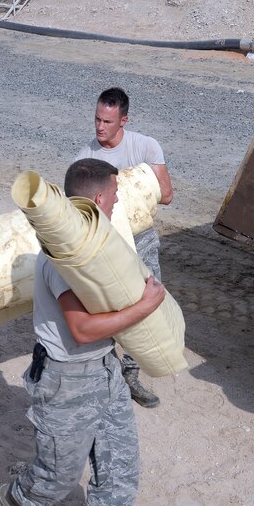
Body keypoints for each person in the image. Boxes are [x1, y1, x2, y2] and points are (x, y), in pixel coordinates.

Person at [0, 158, 166, 506]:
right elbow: (82, 329)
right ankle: (15, 499)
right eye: (116, 195)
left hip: (105, 368)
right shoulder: (64, 258)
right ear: (101, 197)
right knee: (59, 475)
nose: (119, 202)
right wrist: (145, 307)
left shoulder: (95, 245)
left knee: (120, 467)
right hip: (65, 379)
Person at [73, 87, 174, 409]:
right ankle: (105, 370)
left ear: (124, 120)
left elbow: (167, 195)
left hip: (141, 240)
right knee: (104, 309)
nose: (99, 128)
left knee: (145, 307)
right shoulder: (84, 159)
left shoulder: (145, 147)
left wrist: (127, 186)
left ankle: (131, 374)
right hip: (107, 246)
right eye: (96, 119)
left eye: (107, 121)